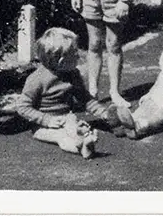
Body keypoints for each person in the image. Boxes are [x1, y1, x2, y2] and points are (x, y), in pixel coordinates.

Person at [14, 27, 119, 157]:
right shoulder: (37, 79)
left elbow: (84, 98)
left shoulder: (73, 74)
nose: (78, 54)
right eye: (74, 52)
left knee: (75, 127)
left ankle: (84, 140)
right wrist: (46, 120)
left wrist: (103, 113)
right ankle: (81, 146)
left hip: (67, 118)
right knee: (60, 137)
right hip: (41, 125)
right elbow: (22, 106)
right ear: (61, 61)